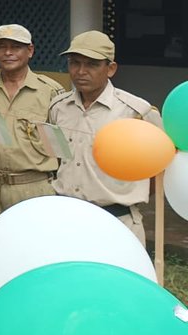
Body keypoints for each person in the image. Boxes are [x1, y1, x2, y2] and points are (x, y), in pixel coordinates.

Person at [49, 30, 161, 244]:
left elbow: (158, 168)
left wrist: (126, 194)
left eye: (92, 64)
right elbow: (58, 158)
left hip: (116, 221)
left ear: (110, 69)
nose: (81, 71)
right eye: (75, 63)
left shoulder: (136, 112)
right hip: (66, 218)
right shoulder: (58, 107)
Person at [0, 24, 64, 237]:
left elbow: (60, 146)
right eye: (1, 47)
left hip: (33, 186)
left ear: (29, 51)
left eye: (16, 47)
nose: (8, 53)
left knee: (32, 251)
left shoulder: (50, 91)